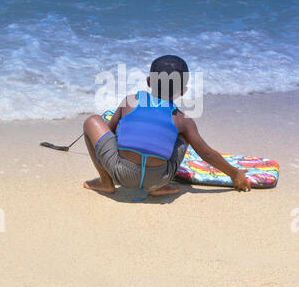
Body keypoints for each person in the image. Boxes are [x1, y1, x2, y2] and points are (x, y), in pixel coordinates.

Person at [83, 55, 250, 198]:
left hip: (121, 174)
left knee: (92, 121)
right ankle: (159, 188)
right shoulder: (183, 120)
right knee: (184, 135)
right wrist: (235, 175)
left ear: (149, 81)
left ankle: (106, 182)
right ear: (183, 90)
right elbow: (206, 154)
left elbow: (110, 130)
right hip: (159, 178)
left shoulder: (130, 101)